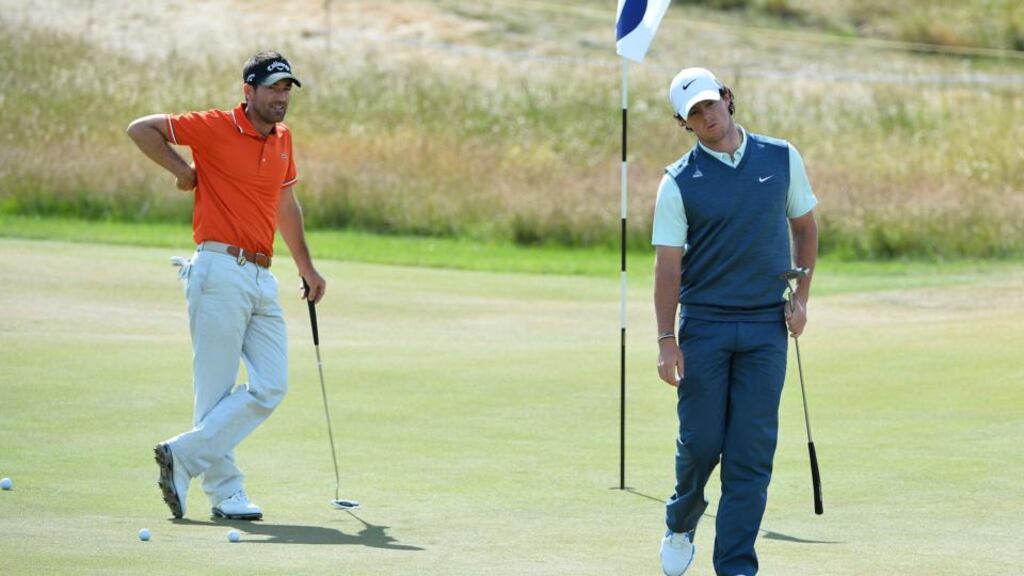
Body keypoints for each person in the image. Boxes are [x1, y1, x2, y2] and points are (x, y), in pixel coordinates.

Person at [126, 51, 325, 520]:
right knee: (215, 391)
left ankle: (183, 457)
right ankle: (227, 493)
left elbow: (286, 205)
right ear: (248, 91)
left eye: (287, 89)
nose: (281, 97)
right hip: (217, 268)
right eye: (273, 88)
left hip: (261, 275)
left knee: (271, 385)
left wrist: (307, 268)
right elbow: (141, 128)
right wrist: (184, 171)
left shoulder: (283, 139)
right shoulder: (214, 126)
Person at [651, 67, 818, 576]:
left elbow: (805, 229)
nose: (707, 117)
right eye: (694, 113)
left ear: (727, 98)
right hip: (705, 326)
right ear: (684, 123)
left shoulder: (781, 156)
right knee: (701, 443)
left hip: (767, 327)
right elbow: (668, 266)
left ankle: (736, 566)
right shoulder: (678, 181)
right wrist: (665, 339)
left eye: (710, 104)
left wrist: (802, 298)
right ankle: (681, 521)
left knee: (750, 455)